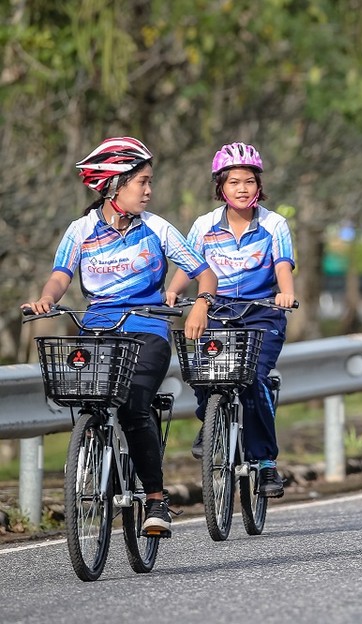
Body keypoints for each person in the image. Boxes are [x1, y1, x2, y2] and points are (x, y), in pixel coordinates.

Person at [22, 137, 217, 535]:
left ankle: (156, 500)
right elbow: (61, 275)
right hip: (98, 329)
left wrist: (201, 303)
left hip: (148, 330)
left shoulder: (157, 227)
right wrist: (46, 299)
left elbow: (204, 272)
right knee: (90, 398)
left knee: (132, 405)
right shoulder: (80, 230)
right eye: (141, 182)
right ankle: (98, 457)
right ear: (113, 186)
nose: (148, 190)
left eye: (150, 182)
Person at [166, 142, 296, 498]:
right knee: (205, 371)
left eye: (249, 181)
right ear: (220, 186)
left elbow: (283, 265)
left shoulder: (274, 224)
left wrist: (285, 293)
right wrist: (173, 291)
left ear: (259, 186)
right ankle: (211, 421)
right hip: (218, 310)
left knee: (254, 379)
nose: (242, 189)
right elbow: (190, 265)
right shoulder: (204, 225)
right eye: (234, 182)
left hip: (262, 313)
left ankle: (266, 462)